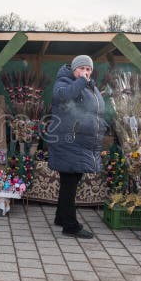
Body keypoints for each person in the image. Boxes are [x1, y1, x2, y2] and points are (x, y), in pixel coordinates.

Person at [45, 55, 106, 239]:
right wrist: (81, 82)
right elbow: (61, 95)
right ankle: (70, 225)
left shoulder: (89, 86)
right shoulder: (63, 82)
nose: (86, 72)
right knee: (70, 183)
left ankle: (61, 217)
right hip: (69, 141)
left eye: (88, 69)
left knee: (69, 182)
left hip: (80, 142)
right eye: (82, 69)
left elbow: (96, 111)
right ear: (74, 69)